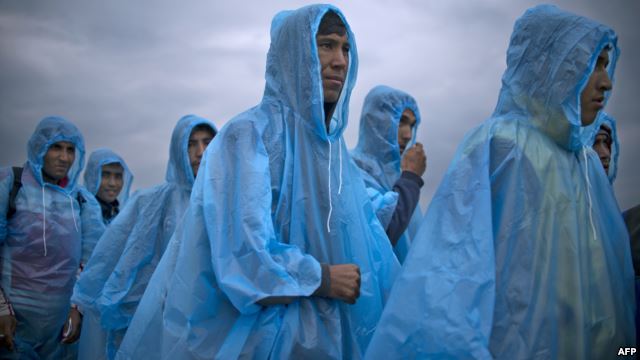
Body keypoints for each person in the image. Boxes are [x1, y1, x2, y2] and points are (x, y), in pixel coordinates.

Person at [117, 5, 399, 359]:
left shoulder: (332, 152)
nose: (340, 60)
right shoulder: (248, 136)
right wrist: (323, 278)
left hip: (330, 341)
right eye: (326, 45)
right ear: (294, 53)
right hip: (261, 342)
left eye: (345, 48)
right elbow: (242, 254)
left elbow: (363, 237)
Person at [366, 5, 634, 359]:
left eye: (604, 62)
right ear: (548, 64)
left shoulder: (585, 164)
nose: (607, 81)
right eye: (590, 63)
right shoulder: (501, 147)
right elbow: (450, 284)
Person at [71, 115, 216, 359]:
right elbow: (113, 259)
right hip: (161, 323)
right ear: (177, 148)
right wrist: (84, 303)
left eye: (208, 143)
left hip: (209, 323)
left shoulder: (224, 202)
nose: (200, 152)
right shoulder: (154, 201)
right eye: (191, 143)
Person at [0, 116, 103, 359]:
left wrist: (77, 308)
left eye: (70, 150)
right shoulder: (10, 184)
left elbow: (92, 261)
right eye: (56, 147)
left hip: (61, 331)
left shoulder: (81, 200)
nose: (64, 157)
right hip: (11, 323)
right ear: (39, 147)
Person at [351, 85, 426, 262]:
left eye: (412, 125)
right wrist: (410, 180)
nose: (408, 135)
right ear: (375, 121)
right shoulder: (350, 170)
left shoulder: (399, 177)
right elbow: (378, 237)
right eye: (400, 121)